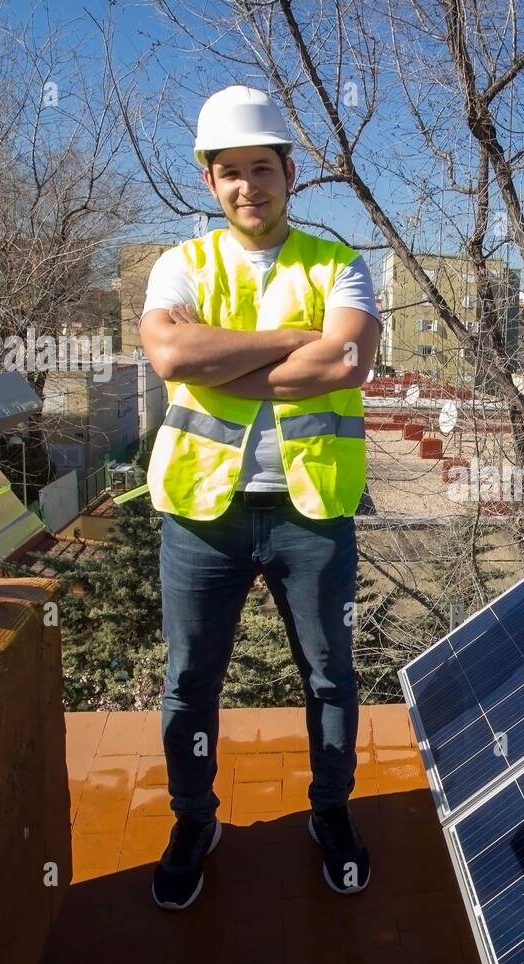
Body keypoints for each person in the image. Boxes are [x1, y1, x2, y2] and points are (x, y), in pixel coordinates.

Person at [138, 85, 382, 910]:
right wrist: (289, 341)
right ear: (210, 181)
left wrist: (225, 362)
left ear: (291, 171)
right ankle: (193, 819)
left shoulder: (338, 261)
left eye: (264, 169)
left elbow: (346, 363)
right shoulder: (181, 264)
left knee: (330, 676)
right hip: (202, 517)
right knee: (190, 681)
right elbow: (171, 354)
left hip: (311, 512)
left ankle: (331, 810)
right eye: (232, 171)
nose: (250, 186)